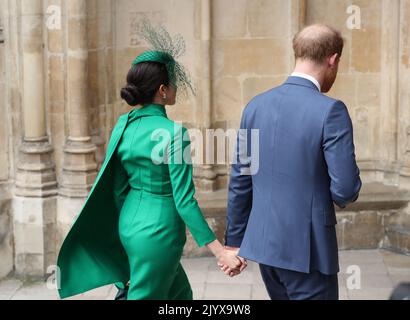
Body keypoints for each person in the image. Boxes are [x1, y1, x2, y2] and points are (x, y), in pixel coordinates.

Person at [57, 23, 244, 300]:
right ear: (162, 90)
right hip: (159, 232)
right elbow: (185, 201)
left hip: (130, 225)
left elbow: (119, 189)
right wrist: (221, 252)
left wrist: (131, 227)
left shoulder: (124, 125)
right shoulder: (174, 134)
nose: (176, 87)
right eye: (173, 83)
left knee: (180, 295)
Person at [223, 24, 362, 300]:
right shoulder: (331, 110)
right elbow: (346, 189)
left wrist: (234, 243)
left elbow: (241, 179)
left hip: (266, 248)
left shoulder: (255, 106)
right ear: (332, 60)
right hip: (307, 250)